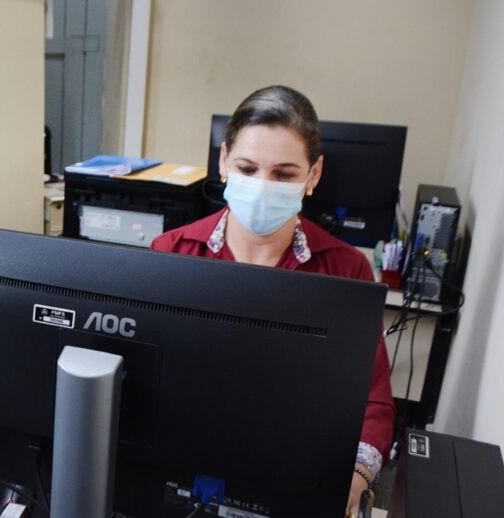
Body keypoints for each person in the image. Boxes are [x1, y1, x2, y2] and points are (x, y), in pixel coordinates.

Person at [150, 85, 393, 518]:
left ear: (313, 175)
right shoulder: (172, 252)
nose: (263, 187)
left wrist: (354, 477)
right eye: (247, 167)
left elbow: (373, 400)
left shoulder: (347, 268)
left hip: (295, 472)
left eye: (284, 174)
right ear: (224, 162)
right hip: (187, 469)